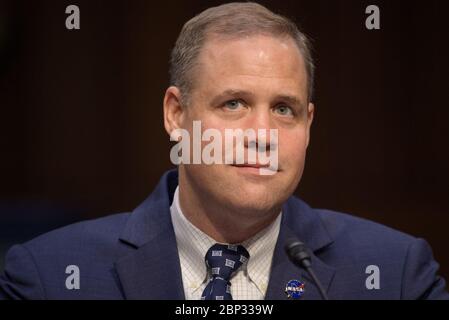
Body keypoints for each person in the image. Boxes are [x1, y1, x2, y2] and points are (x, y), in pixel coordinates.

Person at [0, 2, 448, 300]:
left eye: (284, 109)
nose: (262, 133)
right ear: (176, 115)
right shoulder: (50, 276)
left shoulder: (395, 275)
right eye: (233, 104)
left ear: (309, 125)